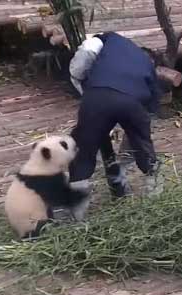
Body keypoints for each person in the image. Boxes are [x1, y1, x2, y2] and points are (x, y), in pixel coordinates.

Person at [67, 31, 164, 220]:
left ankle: (77, 217)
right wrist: (134, 151)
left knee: (83, 153)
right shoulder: (148, 69)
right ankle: (156, 202)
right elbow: (146, 120)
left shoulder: (112, 39)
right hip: (131, 103)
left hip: (97, 96)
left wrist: (78, 80)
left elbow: (87, 50)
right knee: (145, 149)